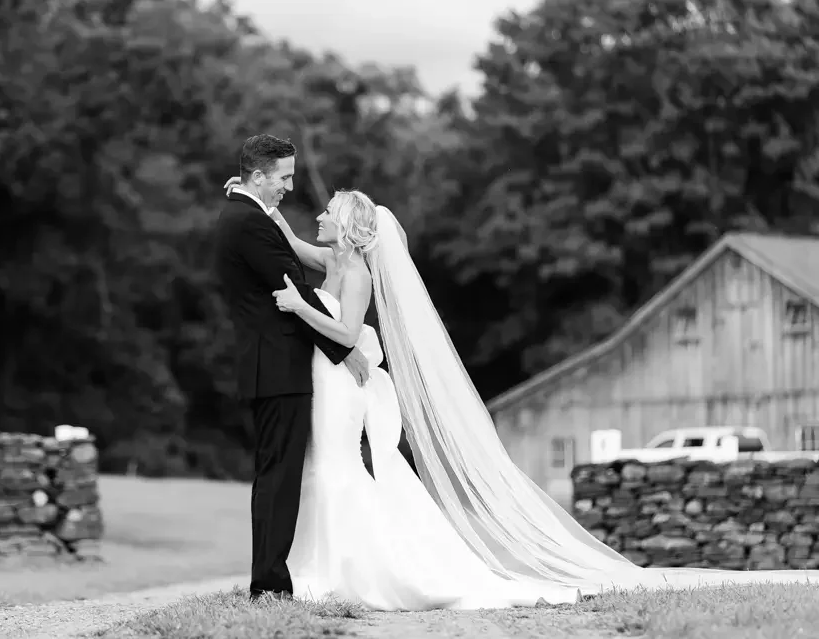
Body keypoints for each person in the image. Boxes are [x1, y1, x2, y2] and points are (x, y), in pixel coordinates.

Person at [223, 176, 819, 611]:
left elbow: (348, 333)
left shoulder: (354, 273)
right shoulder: (333, 258)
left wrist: (299, 306)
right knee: (324, 470)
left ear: (349, 226)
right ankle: (315, 567)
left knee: (336, 470)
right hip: (327, 381)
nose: (319, 215)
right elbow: (292, 244)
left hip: (339, 381)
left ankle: (353, 570)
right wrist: (259, 203)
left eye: (328, 211)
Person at [213, 134, 371, 602]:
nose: (290, 186)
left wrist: (341, 343)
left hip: (281, 367)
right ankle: (269, 584)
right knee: (280, 477)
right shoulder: (249, 223)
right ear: (258, 176)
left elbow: (294, 265)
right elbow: (295, 291)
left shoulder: (248, 217)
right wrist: (346, 349)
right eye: (283, 177)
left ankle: (276, 578)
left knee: (282, 475)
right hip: (279, 367)